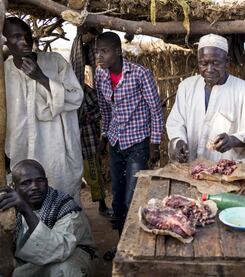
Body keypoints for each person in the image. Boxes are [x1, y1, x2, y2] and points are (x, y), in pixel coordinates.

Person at [3, 17, 84, 204]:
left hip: (56, 151)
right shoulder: (4, 72)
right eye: (16, 36)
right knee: (27, 204)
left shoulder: (55, 62)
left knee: (62, 199)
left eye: (27, 35)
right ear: (5, 40)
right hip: (20, 151)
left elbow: (76, 98)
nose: (24, 41)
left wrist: (41, 78)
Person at [95, 32, 164, 235]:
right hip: (116, 141)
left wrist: (155, 144)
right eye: (97, 51)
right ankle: (120, 244)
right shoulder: (100, 74)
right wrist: (104, 137)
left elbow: (155, 110)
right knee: (116, 195)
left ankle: (134, 241)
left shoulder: (140, 73)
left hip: (138, 143)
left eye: (104, 51)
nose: (99, 56)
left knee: (132, 196)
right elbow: (105, 109)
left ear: (118, 51)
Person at [166, 33, 245, 163]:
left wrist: (233, 140)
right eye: (203, 63)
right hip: (190, 168)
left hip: (227, 170)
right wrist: (178, 141)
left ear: (227, 62)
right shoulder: (186, 87)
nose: (209, 69)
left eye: (216, 63)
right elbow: (176, 122)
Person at [0, 159, 96, 277]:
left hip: (71, 255)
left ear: (46, 182)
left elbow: (59, 249)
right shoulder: (11, 206)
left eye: (40, 180)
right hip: (33, 259)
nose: (35, 187)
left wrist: (26, 210)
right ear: (15, 188)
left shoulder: (66, 208)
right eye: (26, 183)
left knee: (64, 269)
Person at [70, 27, 113, 217]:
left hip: (87, 143)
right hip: (71, 144)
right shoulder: (71, 91)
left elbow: (100, 113)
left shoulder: (87, 92)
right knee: (72, 177)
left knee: (93, 176)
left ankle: (102, 206)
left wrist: (88, 118)